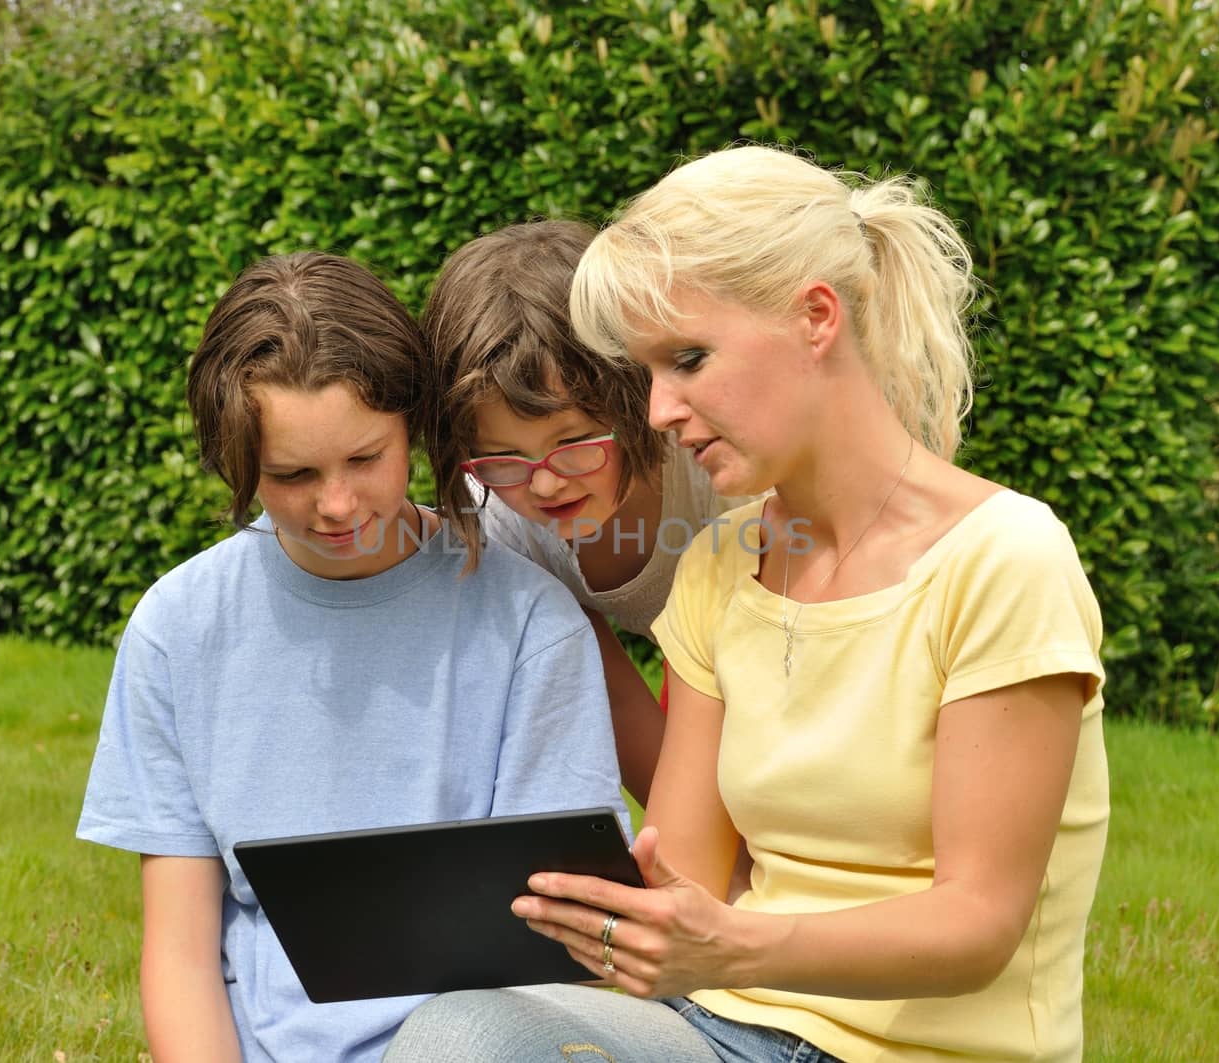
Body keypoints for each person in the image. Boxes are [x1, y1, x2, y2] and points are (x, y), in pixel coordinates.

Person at [384, 145, 1109, 1062]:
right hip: (728, 1027)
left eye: (687, 359)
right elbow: (685, 878)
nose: (657, 412)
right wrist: (571, 918)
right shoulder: (722, 564)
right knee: (463, 1032)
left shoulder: (1005, 559)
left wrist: (729, 944)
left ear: (816, 316)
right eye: (648, 372)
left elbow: (980, 925)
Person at [75, 252, 627, 1063]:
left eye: (365, 458)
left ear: (416, 425)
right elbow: (182, 951)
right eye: (292, 474)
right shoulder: (178, 628)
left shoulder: (528, 622)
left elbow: (553, 958)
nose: (336, 505)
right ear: (238, 463)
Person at [423, 220, 759, 802]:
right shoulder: (502, 524)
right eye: (500, 457)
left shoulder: (719, 473)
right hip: (696, 674)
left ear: (636, 395)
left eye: (574, 441)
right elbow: (621, 706)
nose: (546, 484)